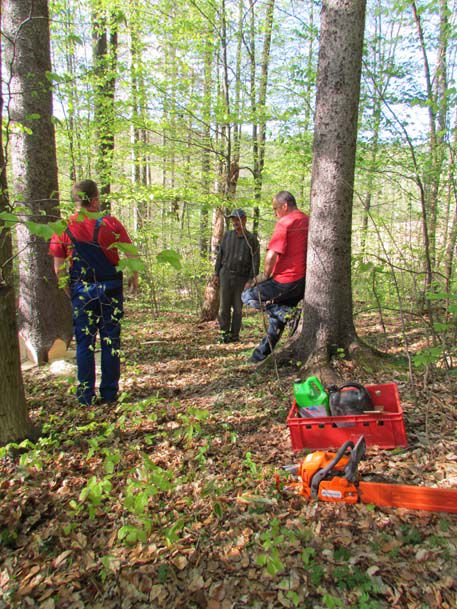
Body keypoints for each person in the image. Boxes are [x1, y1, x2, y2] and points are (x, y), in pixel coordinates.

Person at [49, 179, 139, 405]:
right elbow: (132, 256)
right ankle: (109, 394)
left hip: (82, 290)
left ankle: (85, 395)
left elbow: (58, 268)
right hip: (110, 290)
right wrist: (133, 278)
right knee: (111, 341)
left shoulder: (63, 227)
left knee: (84, 342)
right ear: (96, 200)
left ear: (76, 201)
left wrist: (70, 291)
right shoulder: (111, 223)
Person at [242, 191, 309, 362]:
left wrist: (264, 276)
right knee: (276, 320)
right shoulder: (308, 220)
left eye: (275, 209)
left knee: (247, 295)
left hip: (285, 280)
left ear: (285, 206)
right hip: (302, 283)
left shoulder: (285, 222)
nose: (275, 213)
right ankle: (259, 356)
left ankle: (287, 313)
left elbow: (272, 254)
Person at [213, 209, 260, 343]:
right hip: (225, 275)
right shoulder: (227, 235)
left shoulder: (251, 239)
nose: (235, 222)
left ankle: (235, 336)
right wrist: (216, 274)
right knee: (223, 308)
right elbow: (220, 256)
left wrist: (251, 280)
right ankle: (224, 334)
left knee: (238, 309)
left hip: (242, 278)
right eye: (233, 219)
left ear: (244, 220)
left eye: (238, 219)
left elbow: (255, 261)